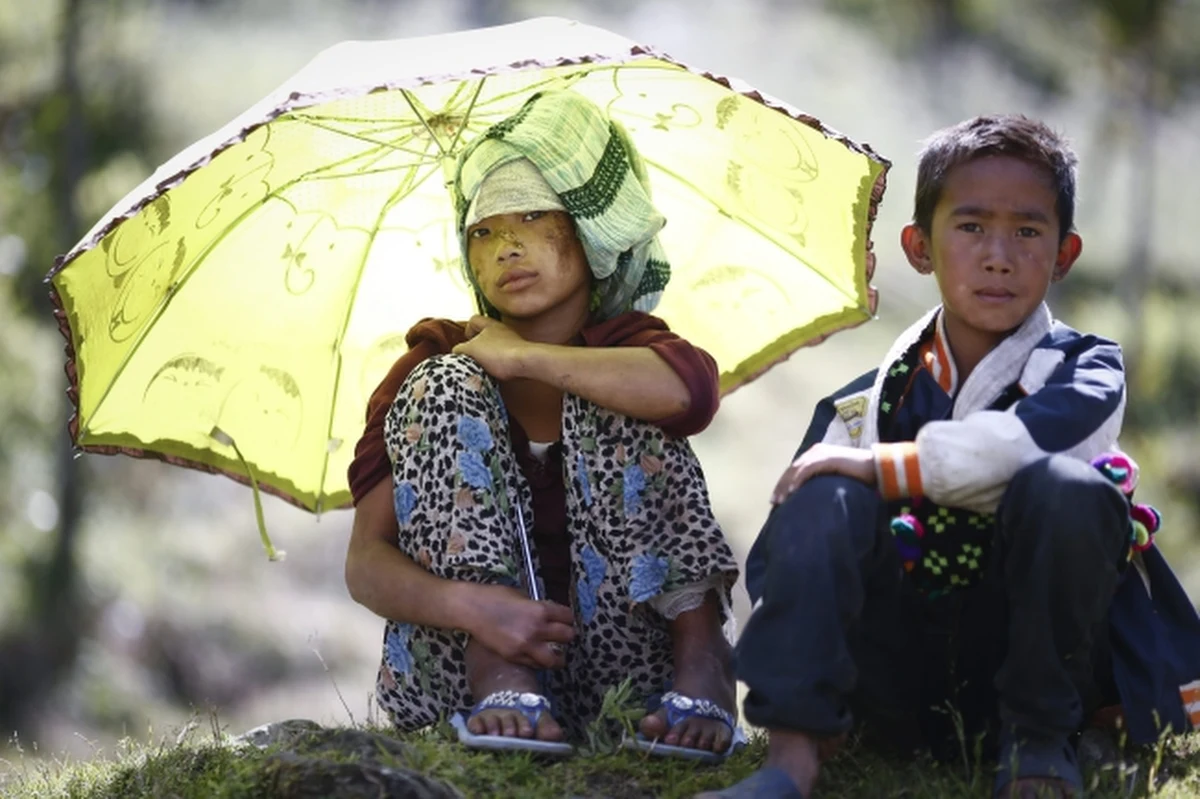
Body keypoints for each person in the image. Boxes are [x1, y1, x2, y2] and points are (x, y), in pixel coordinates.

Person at [706, 115, 1200, 799]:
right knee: (822, 490)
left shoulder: (1087, 371)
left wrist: (885, 469)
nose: (999, 255)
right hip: (899, 678)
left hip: (1042, 674)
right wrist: (850, 487)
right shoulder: (866, 404)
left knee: (1069, 490)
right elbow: (780, 563)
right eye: (970, 228)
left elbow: (1031, 442)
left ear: (1064, 254)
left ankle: (1038, 749)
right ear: (919, 246)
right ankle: (793, 755)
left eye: (1028, 232)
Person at [344, 89, 740, 755]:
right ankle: (500, 673)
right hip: (462, 669)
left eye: (533, 215)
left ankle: (704, 655)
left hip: (627, 668)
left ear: (592, 231)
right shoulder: (438, 358)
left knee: (618, 383)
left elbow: (689, 394)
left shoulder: (632, 347)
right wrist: (474, 610)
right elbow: (364, 565)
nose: (507, 246)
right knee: (443, 382)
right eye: (484, 230)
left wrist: (527, 356)